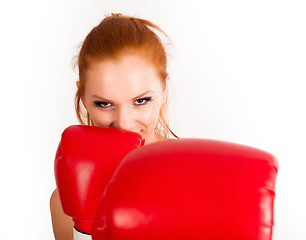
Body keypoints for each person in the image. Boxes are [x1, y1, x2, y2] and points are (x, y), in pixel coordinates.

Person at [50, 13, 178, 240]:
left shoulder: (195, 175)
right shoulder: (65, 205)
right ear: (83, 98)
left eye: (141, 101)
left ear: (163, 89)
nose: (124, 125)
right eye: (104, 104)